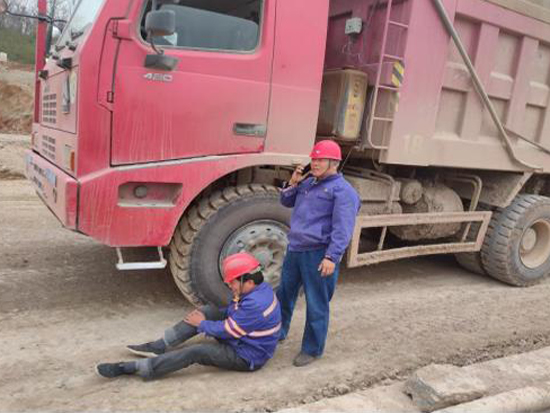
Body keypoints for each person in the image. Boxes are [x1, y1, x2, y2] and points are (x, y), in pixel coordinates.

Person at [96, 252, 281, 380]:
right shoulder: (257, 289)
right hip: (242, 338)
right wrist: (204, 319)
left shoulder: (256, 304)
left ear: (247, 281)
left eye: (232, 282)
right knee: (207, 311)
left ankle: (140, 368)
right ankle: (161, 345)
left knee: (197, 351)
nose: (230, 286)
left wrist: (201, 324)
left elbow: (229, 331)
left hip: (246, 357)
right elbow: (234, 314)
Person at [278, 140, 360, 367]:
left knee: (317, 302)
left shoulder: (343, 192)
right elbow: (286, 201)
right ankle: (278, 331)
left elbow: (343, 229)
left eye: (320, 160)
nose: (314, 163)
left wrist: (331, 257)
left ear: (334, 162)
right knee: (284, 294)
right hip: (295, 249)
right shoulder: (308, 183)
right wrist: (293, 183)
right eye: (313, 159)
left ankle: (312, 349)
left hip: (318, 254)